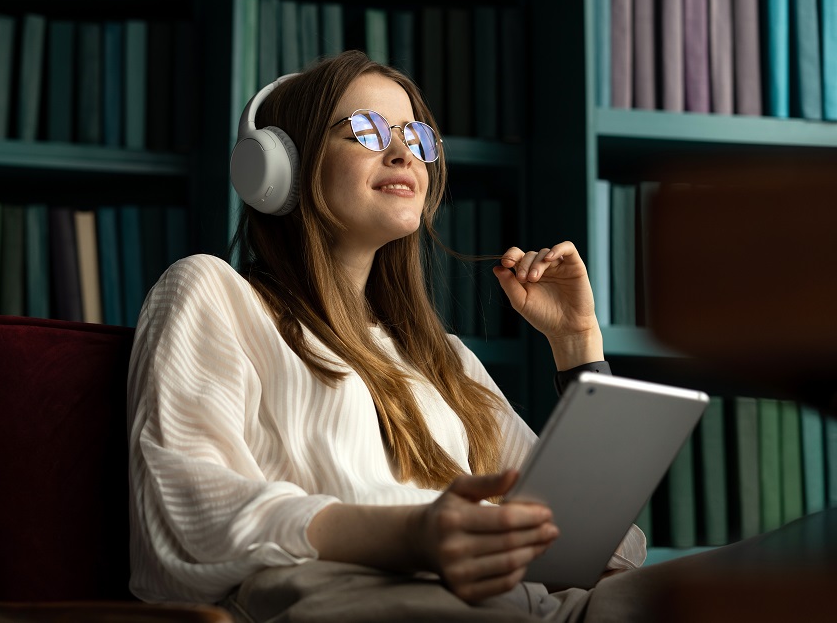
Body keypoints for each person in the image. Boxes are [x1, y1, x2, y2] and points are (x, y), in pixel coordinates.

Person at [126, 49, 648, 622]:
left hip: (529, 604)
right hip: (360, 599)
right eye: (367, 130)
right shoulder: (214, 293)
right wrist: (410, 534)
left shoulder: (443, 358)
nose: (403, 152)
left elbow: (606, 551)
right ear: (280, 167)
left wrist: (578, 347)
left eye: (416, 136)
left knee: (753, 577)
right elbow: (186, 516)